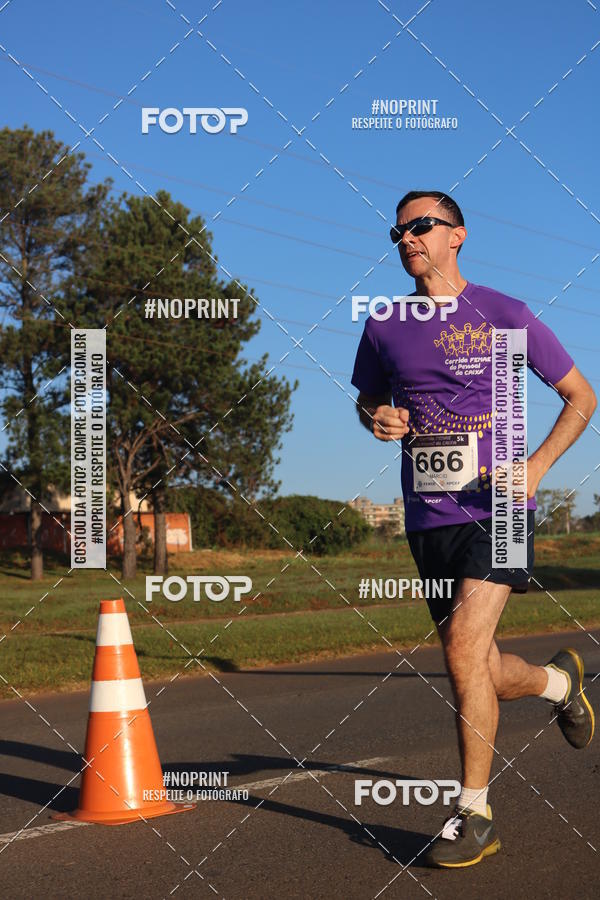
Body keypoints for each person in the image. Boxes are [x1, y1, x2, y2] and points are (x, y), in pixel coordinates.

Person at [351, 190, 596, 868]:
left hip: (501, 510)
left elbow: (581, 396)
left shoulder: (503, 313)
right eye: (397, 231)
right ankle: (559, 685)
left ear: (458, 235)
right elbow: (368, 399)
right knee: (479, 664)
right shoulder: (384, 324)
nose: (407, 239)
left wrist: (538, 465)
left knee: (461, 647)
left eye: (420, 226)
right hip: (428, 516)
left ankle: (474, 812)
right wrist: (375, 417)